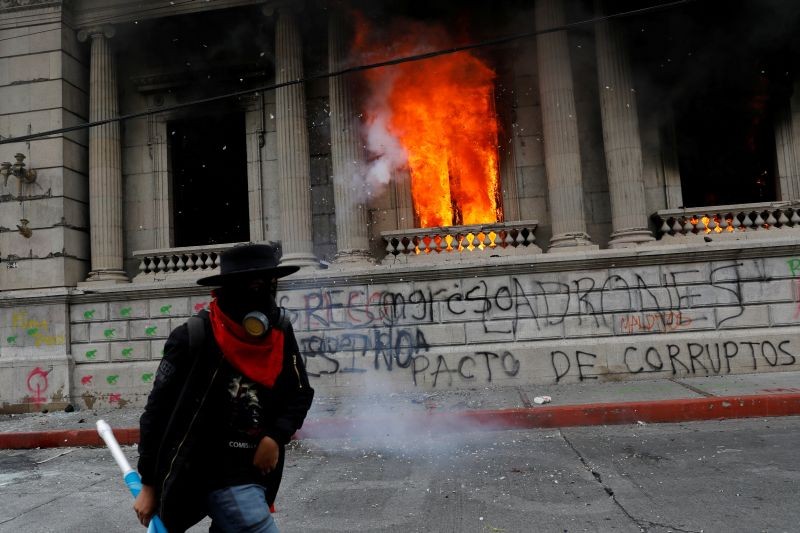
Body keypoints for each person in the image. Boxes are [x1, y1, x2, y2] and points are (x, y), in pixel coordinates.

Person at [134, 243, 314, 532]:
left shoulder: (279, 332)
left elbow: (300, 392)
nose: (261, 295)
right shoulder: (192, 337)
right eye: (250, 286)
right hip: (204, 472)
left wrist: (274, 436)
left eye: (268, 285)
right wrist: (149, 484)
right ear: (227, 288)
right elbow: (156, 414)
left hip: (255, 472)